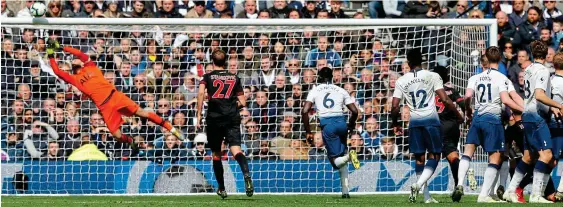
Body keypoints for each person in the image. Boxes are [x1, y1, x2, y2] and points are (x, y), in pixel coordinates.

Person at [45, 40, 185, 149]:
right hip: (105, 106)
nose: (75, 59)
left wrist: (61, 47)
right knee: (116, 134)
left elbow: (80, 54)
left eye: (76, 59)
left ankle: (171, 128)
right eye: (72, 60)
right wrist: (51, 55)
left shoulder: (90, 65)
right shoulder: (74, 79)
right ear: (71, 66)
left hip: (115, 96)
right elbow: (57, 71)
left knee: (142, 113)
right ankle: (130, 141)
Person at [452, 46, 524, 203]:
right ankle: (485, 194)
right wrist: (524, 109)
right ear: (499, 59)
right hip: (493, 119)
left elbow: (468, 96)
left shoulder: (475, 77)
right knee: (497, 156)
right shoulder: (502, 78)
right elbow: (507, 100)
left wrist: (468, 111)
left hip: (477, 117)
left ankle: (459, 184)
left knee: (468, 151)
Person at [390, 49, 463, 203]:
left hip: (414, 122)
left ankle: (426, 196)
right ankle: (418, 185)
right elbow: (445, 99)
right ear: (422, 61)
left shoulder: (401, 80)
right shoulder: (432, 76)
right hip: (431, 121)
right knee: (435, 155)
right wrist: (458, 115)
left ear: (408, 63)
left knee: (419, 158)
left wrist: (395, 123)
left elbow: (395, 106)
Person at [503, 40, 561, 203]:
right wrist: (557, 105)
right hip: (536, 116)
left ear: (531, 54)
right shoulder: (543, 70)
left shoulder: (528, 69)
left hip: (527, 114)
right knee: (547, 155)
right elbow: (540, 95)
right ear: (547, 55)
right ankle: (536, 194)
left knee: (528, 156)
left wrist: (551, 108)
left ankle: (510, 190)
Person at [196, 49, 253, 199]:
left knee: (216, 154)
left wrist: (198, 114)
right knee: (236, 150)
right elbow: (243, 102)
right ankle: (246, 174)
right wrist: (232, 107)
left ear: (212, 62)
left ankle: (221, 188)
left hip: (214, 118)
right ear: (225, 61)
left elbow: (201, 93)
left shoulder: (207, 77)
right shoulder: (234, 77)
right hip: (232, 118)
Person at [301, 67, 360, 199]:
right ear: (332, 77)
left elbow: (305, 111)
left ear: (319, 78)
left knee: (334, 161)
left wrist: (308, 132)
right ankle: (345, 192)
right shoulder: (341, 90)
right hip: (342, 123)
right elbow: (355, 111)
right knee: (340, 156)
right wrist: (350, 125)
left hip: (328, 126)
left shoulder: (315, 90)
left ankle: (350, 157)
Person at [432, 66, 466, 202]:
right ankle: (458, 184)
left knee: (432, 156)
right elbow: (462, 103)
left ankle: (421, 187)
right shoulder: (451, 90)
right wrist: (466, 114)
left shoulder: (430, 89)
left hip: (436, 125)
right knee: (452, 155)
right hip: (452, 125)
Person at [548, 52, 563, 201]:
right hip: (558, 123)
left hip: (550, 122)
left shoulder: (549, 80)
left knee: (552, 159)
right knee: (552, 160)